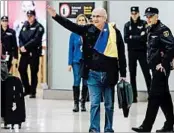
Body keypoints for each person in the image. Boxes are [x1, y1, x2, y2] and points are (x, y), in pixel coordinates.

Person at [47, 5, 127, 132]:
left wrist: (123, 73)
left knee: (109, 105)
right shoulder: (87, 30)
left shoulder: (114, 33)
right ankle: (94, 129)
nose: (94, 19)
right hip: (92, 74)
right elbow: (70, 26)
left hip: (110, 74)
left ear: (105, 18)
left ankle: (108, 129)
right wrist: (55, 16)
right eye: (93, 16)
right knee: (95, 104)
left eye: (98, 16)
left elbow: (121, 54)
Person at [132, 7, 174, 132]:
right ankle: (169, 124)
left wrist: (163, 63)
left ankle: (146, 126)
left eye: (151, 16)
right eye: (147, 16)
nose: (148, 18)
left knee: (153, 97)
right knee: (164, 97)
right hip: (154, 68)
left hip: (161, 69)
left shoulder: (163, 30)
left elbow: (171, 47)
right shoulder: (150, 29)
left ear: (157, 16)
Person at [124, 6, 151, 102]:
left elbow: (145, 38)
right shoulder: (127, 25)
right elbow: (126, 39)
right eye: (132, 13)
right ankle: (134, 96)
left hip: (142, 52)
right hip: (131, 52)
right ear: (130, 14)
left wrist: (133, 37)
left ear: (139, 13)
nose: (134, 15)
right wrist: (139, 36)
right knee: (132, 74)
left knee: (147, 73)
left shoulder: (144, 23)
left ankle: (151, 95)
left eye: (136, 13)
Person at [18, 10, 44, 98]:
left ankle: (33, 92)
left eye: (31, 16)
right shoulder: (24, 26)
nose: (29, 18)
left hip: (34, 53)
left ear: (34, 16)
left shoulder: (39, 27)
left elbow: (36, 40)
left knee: (33, 72)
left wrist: (25, 46)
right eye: (28, 16)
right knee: (21, 69)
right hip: (24, 53)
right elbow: (20, 37)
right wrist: (21, 46)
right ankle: (27, 89)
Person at [68, 14, 88, 112]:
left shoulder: (88, 33)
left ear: (86, 21)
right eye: (79, 20)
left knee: (85, 82)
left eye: (83, 20)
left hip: (86, 61)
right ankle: (75, 103)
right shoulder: (73, 34)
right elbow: (70, 49)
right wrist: (69, 63)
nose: (81, 22)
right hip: (76, 61)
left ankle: (83, 103)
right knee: (77, 80)